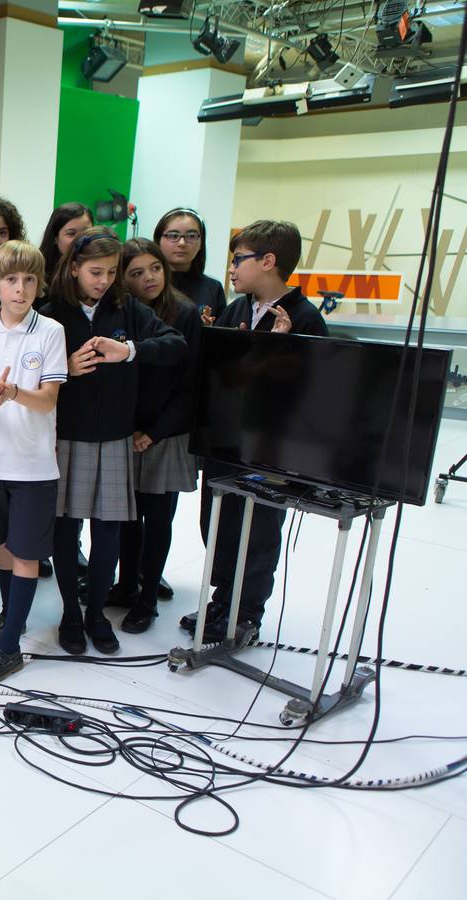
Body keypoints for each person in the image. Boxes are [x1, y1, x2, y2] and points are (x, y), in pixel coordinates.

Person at [41, 227, 185, 657]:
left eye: (109, 272)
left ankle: (97, 614)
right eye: (94, 271)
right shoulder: (51, 313)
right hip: (65, 437)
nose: (102, 280)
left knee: (108, 533)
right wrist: (63, 368)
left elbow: (175, 345)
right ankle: (70, 612)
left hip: (115, 439)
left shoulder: (129, 310)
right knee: (66, 532)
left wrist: (131, 351)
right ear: (74, 268)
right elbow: (24, 372)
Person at [183, 220, 327, 642]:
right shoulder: (236, 309)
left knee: (259, 529)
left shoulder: (304, 318)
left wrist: (279, 350)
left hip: (269, 448)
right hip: (223, 440)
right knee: (217, 523)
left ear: (268, 262)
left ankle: (247, 613)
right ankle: (223, 601)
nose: (232, 268)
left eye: (239, 259)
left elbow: (308, 390)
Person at [0, 240, 66, 681]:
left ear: (39, 284)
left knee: (25, 554)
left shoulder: (51, 331)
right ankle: (9, 615)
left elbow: (48, 400)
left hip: (33, 465)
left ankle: (9, 648)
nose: (20, 289)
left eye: (28, 280)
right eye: (11, 280)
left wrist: (15, 392)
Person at [113, 238, 202, 633]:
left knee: (158, 518)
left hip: (167, 433)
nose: (148, 278)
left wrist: (154, 431)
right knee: (128, 518)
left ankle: (147, 598)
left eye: (154, 268)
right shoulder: (125, 314)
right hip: (129, 432)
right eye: (136, 273)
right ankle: (126, 584)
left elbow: (192, 384)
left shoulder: (184, 313)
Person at [155, 208, 226, 321]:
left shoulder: (213, 288)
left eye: (191, 236)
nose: (182, 243)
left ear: (201, 243)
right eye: (173, 236)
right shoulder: (148, 283)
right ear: (158, 240)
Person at [37, 203, 94, 292]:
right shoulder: (38, 274)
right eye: (71, 234)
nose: (80, 239)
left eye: (86, 232)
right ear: (55, 238)